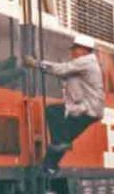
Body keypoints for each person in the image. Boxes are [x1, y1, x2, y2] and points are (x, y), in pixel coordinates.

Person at [24, 34, 104, 173]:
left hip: (86, 109)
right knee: (62, 140)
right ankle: (50, 167)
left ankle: (54, 156)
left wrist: (36, 64)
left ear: (84, 49)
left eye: (75, 49)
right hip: (90, 111)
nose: (72, 52)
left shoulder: (86, 62)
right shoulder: (86, 64)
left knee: (53, 112)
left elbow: (62, 69)